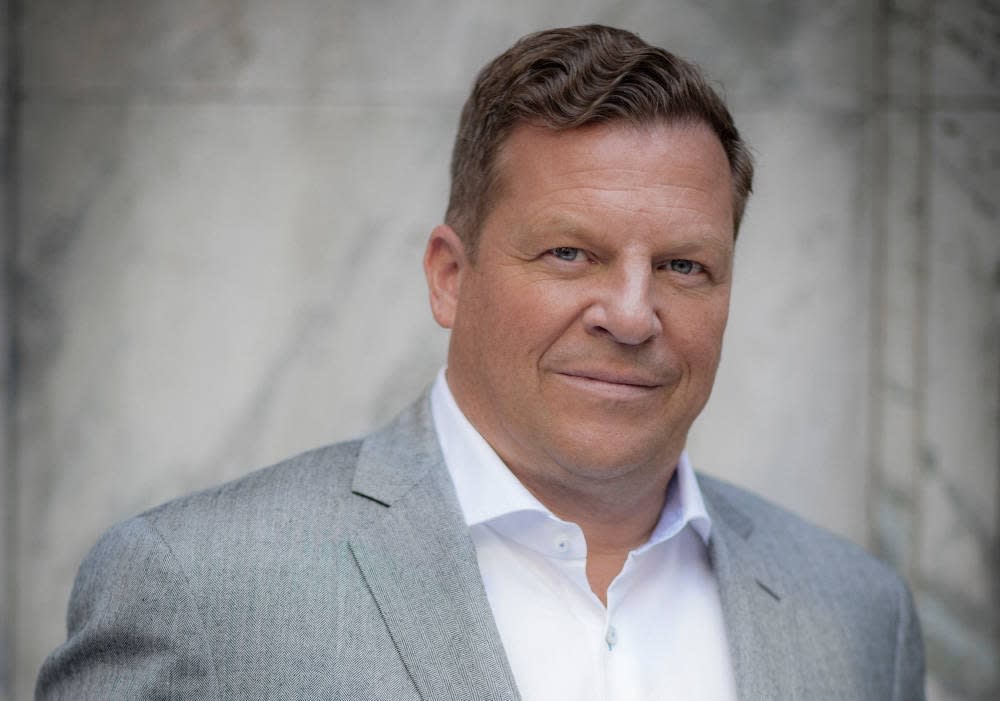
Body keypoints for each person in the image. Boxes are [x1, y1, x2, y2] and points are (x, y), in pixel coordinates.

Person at [37, 25, 924, 700]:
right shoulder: (197, 588)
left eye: (684, 266)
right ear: (449, 277)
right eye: (570, 253)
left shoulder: (859, 616)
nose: (631, 314)